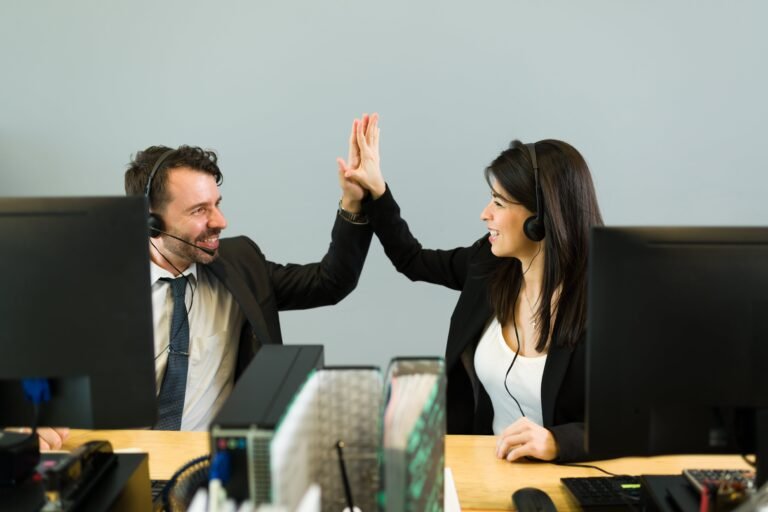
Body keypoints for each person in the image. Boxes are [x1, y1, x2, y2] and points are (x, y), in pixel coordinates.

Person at [33, 144, 373, 446]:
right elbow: (33, 378)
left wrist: (354, 201)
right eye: (199, 210)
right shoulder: (92, 288)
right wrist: (26, 425)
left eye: (217, 204)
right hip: (122, 466)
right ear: (150, 221)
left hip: (210, 472)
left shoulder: (242, 265)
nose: (221, 221)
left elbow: (332, 281)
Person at [338, 114, 602, 462]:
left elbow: (633, 421)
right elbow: (412, 259)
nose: (484, 213)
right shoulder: (488, 266)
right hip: (481, 471)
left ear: (540, 219)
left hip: (561, 481)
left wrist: (557, 442)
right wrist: (376, 191)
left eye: (500, 202)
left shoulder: (603, 305)